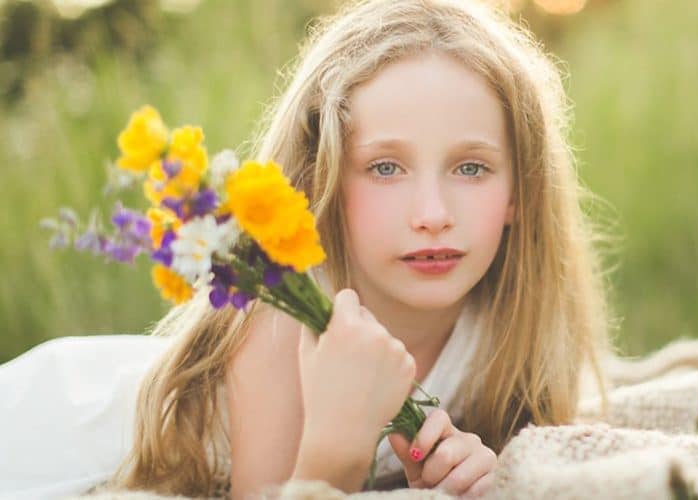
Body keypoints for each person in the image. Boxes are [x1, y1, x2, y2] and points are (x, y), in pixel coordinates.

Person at [0, 0, 618, 498]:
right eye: (384, 168)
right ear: (320, 179)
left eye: (471, 169)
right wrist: (343, 440)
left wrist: (464, 471)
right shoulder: (280, 311)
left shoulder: (502, 327)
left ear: (521, 191)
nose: (433, 216)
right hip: (37, 441)